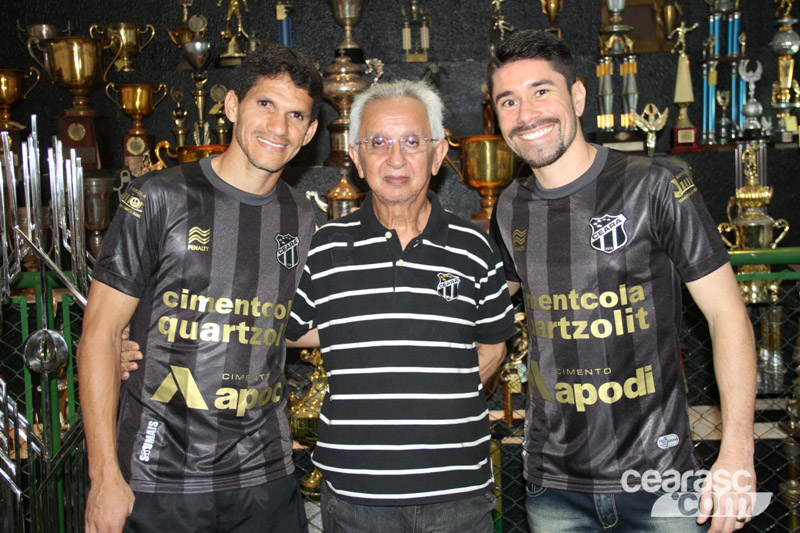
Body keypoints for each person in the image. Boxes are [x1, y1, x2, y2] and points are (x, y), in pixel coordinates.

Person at [487, 30, 756, 533]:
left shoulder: (655, 183)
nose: (526, 114)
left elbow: (728, 315)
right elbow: (490, 314)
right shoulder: (510, 205)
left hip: (660, 482)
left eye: (541, 91)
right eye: (509, 100)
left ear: (579, 96)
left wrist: (737, 451)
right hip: (554, 488)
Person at [78, 42, 322, 533]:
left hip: (266, 480)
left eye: (296, 115)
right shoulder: (159, 197)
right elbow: (100, 336)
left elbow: (299, 327)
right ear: (232, 106)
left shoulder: (307, 219)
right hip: (158, 476)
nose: (279, 127)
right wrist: (104, 475)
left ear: (310, 132)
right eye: (265, 104)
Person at [286, 79, 516, 532]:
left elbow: (492, 349)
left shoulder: (475, 248)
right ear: (355, 155)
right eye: (378, 142)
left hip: (458, 496)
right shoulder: (325, 248)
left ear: (438, 154)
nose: (395, 159)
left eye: (412, 142)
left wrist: (442, 407)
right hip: (356, 499)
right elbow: (289, 330)